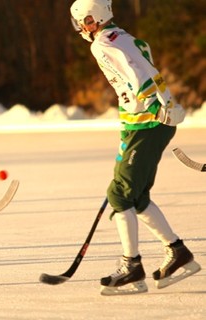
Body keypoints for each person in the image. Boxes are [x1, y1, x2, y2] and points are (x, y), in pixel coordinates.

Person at [69, 0, 201, 295]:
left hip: (148, 125)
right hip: (142, 125)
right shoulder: (122, 36)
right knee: (136, 196)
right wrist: (163, 103)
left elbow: (141, 76)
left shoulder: (102, 44)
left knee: (119, 193)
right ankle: (178, 253)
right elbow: (146, 72)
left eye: (85, 20)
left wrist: (161, 104)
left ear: (98, 17)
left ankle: (132, 266)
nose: (82, 27)